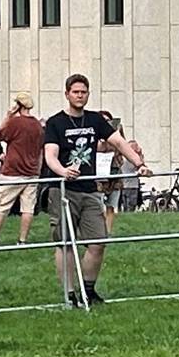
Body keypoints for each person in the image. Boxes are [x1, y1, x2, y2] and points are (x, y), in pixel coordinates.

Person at [43, 75, 149, 306]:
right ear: (67, 94)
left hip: (90, 189)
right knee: (65, 243)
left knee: (99, 241)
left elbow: (120, 142)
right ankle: (69, 293)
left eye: (84, 92)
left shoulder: (94, 120)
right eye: (76, 92)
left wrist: (139, 164)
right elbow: (49, 155)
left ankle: (88, 290)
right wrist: (62, 171)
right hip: (62, 189)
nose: (80, 96)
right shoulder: (55, 123)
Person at [0, 93, 43, 246]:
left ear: (18, 105)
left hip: (12, 172)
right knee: (27, 208)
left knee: (1, 206)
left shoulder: (15, 122)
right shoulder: (37, 125)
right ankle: (22, 240)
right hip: (32, 172)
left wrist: (8, 116)